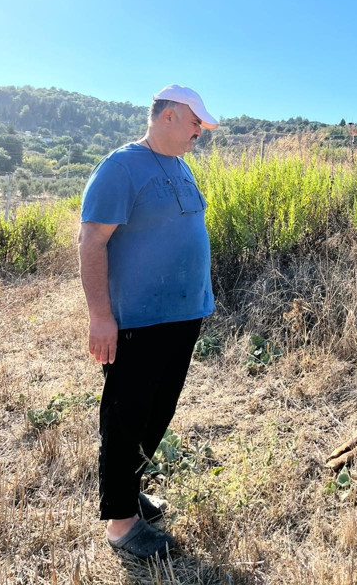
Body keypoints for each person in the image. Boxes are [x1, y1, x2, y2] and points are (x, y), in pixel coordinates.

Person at [78, 84, 218, 559]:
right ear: (168, 116)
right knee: (126, 416)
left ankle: (128, 491)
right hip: (138, 321)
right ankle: (121, 525)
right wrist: (100, 316)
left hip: (181, 315)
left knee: (157, 412)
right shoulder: (121, 168)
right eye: (195, 122)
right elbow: (92, 242)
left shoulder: (180, 167)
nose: (200, 131)